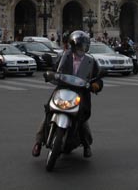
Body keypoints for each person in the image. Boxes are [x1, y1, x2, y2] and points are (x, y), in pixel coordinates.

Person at [32, 30, 102, 159]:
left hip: (81, 93)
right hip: (63, 89)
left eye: (85, 45)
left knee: (81, 119)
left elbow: (98, 78)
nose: (83, 48)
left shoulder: (90, 61)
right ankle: (37, 142)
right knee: (49, 112)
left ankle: (86, 145)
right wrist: (49, 74)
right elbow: (54, 69)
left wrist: (95, 85)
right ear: (74, 45)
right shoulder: (65, 56)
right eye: (80, 45)